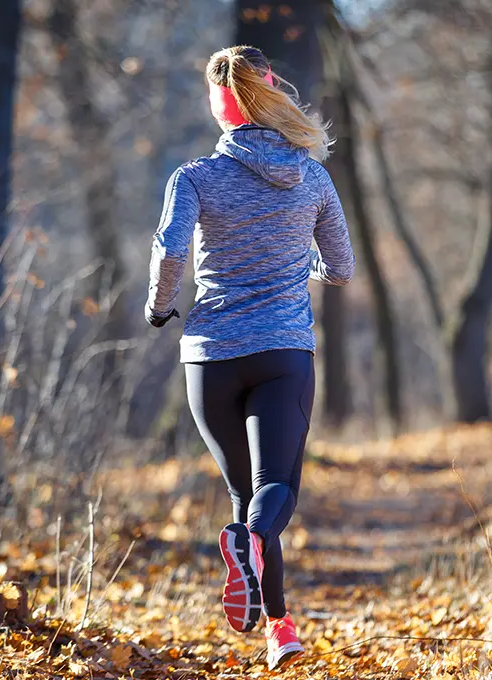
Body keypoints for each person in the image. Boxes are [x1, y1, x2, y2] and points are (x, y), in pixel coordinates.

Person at [144, 45, 354, 670]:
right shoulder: (312, 176)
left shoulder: (194, 178)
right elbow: (341, 269)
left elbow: (169, 254)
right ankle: (261, 580)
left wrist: (158, 309)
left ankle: (279, 629)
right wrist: (299, 264)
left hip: (210, 357)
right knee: (275, 491)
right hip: (283, 351)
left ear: (220, 104)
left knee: (246, 499)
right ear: (269, 94)